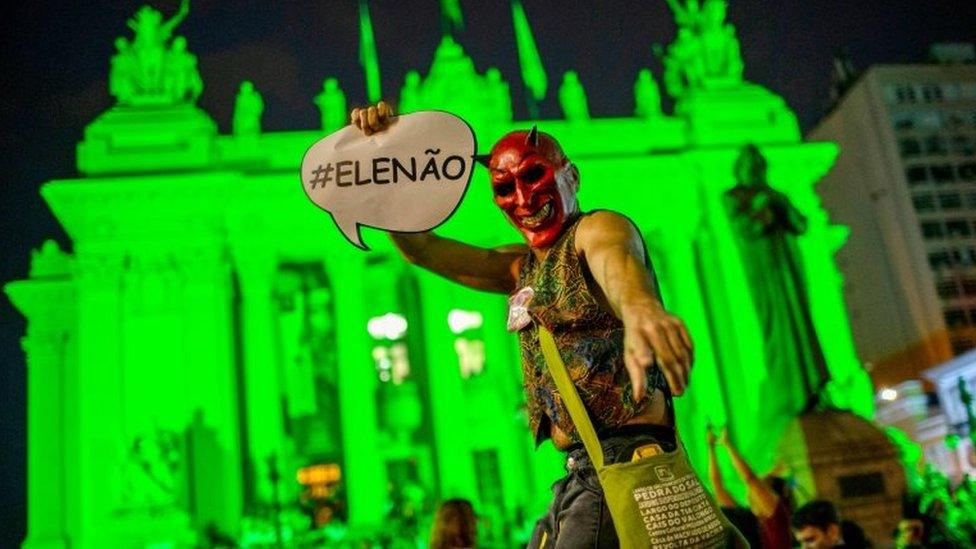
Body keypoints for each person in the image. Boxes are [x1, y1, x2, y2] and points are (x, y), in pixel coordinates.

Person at [351, 103, 699, 546]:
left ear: (571, 177)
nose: (523, 198)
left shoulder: (595, 230)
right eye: (503, 188)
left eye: (534, 176)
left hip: (625, 465)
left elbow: (618, 259)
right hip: (581, 472)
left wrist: (641, 308)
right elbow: (423, 250)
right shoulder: (521, 268)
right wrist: (384, 157)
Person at [707, 425, 792, 548]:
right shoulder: (751, 520)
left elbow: (750, 479)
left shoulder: (776, 518)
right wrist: (711, 447)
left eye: (762, 488)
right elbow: (718, 488)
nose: (750, 492)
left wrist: (728, 445)